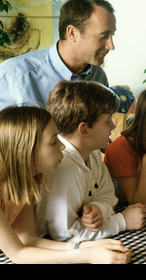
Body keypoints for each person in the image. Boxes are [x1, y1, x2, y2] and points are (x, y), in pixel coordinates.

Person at [0, 106, 131, 264]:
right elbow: (18, 254)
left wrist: (85, 246)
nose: (62, 147)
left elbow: (28, 240)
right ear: (23, 152)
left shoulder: (26, 179)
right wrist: (88, 256)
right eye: (54, 141)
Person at [35, 80, 146, 243]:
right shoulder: (61, 167)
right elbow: (65, 234)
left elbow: (108, 196)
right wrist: (120, 222)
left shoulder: (92, 153)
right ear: (84, 130)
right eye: (108, 121)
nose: (114, 126)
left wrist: (98, 209)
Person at [0, 0, 116, 110]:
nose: (111, 46)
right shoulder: (12, 76)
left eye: (112, 34)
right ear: (72, 33)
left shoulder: (98, 76)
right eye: (103, 36)